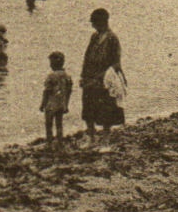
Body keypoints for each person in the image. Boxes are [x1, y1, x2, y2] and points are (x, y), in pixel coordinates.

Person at [80, 8, 126, 148]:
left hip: (104, 79)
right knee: (88, 108)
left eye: (94, 22)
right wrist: (83, 76)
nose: (93, 25)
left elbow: (116, 62)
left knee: (106, 110)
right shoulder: (94, 37)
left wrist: (103, 76)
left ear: (102, 22)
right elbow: (87, 57)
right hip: (90, 77)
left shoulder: (112, 39)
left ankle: (105, 140)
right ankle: (91, 137)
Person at [41, 51, 73, 147]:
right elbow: (69, 91)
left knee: (49, 124)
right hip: (61, 104)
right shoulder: (67, 76)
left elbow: (47, 91)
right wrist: (66, 104)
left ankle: (49, 142)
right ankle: (60, 141)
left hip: (51, 104)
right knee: (59, 124)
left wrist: (42, 104)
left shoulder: (51, 76)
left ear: (53, 64)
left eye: (51, 62)